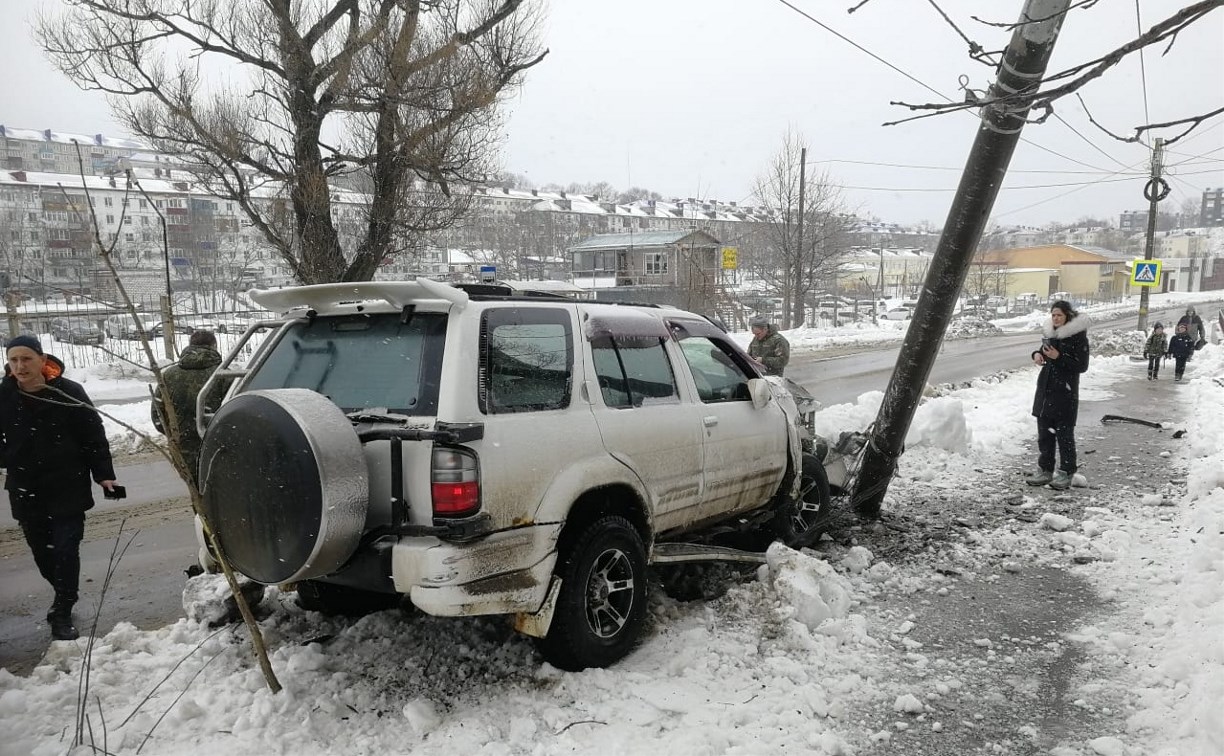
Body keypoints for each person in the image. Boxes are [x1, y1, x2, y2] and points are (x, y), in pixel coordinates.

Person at [1, 335, 118, 641]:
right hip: (25, 487)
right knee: (43, 553)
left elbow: (93, 434)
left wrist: (103, 474)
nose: (20, 366)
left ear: (42, 359)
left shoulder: (67, 391)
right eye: (14, 360)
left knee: (66, 549)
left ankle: (63, 610)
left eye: (26, 358)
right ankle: (64, 590)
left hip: (67, 485)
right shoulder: (4, 395)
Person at [1026, 300, 1090, 491]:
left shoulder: (1078, 338)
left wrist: (1059, 357)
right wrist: (1037, 355)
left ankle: (1066, 472)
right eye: (1053, 315)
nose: (1055, 318)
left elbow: (1082, 366)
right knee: (1044, 435)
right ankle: (1045, 469)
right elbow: (1045, 353)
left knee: (1064, 436)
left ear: (1067, 316)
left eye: (1059, 315)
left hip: (1065, 393)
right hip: (1046, 392)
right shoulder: (1051, 334)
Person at [151, 330, 227, 487]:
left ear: (190, 346)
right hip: (216, 446)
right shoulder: (223, 375)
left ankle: (199, 511)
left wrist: (174, 434)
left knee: (195, 489)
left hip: (182, 446)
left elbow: (157, 413)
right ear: (214, 346)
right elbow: (233, 412)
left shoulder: (169, 375)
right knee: (219, 490)